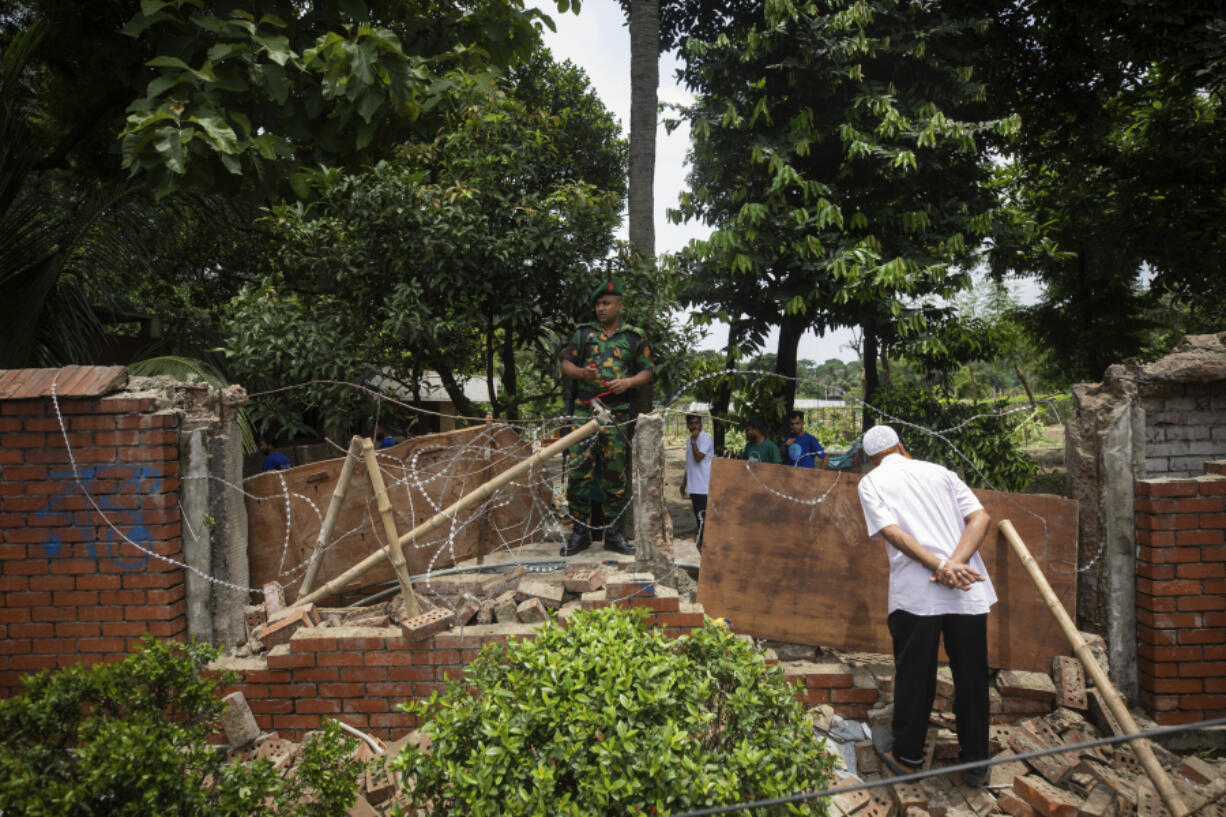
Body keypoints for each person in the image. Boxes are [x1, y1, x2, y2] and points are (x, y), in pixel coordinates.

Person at [855, 424, 995, 787]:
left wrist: (940, 566)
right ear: (902, 447)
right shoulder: (940, 472)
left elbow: (891, 532)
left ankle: (908, 758)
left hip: (917, 596)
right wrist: (956, 562)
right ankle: (976, 765)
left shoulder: (870, 482)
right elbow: (981, 518)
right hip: (967, 590)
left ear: (872, 459)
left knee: (916, 675)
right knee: (972, 678)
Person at [559, 271, 653, 556]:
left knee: (616, 475)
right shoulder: (583, 334)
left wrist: (628, 382)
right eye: (598, 304)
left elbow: (647, 372)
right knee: (579, 474)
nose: (601, 308)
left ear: (620, 305)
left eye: (606, 303)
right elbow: (565, 365)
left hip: (618, 413)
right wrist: (582, 372)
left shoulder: (634, 337)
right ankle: (579, 533)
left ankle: (613, 534)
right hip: (584, 413)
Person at [680, 413, 714, 550]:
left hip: (704, 486)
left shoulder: (706, 438)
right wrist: (684, 483)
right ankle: (703, 546)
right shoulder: (690, 440)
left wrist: (694, 441)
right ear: (688, 425)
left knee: (703, 519)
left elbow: (699, 457)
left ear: (701, 424)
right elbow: (690, 464)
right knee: (699, 518)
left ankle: (704, 547)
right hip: (694, 487)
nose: (694, 426)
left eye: (697, 423)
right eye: (691, 423)